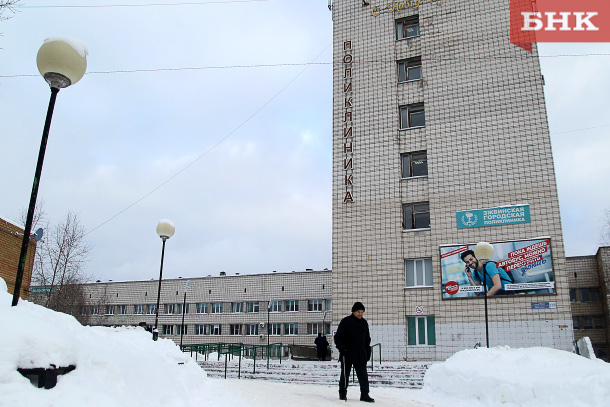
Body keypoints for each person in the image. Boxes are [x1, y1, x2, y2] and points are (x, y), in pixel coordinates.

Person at [334, 302, 374, 403]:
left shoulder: (364, 323)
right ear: (353, 311)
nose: (360, 314)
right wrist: (342, 348)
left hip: (360, 354)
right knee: (345, 374)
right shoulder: (346, 321)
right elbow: (338, 337)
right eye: (358, 312)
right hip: (347, 354)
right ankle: (342, 393)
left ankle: (365, 394)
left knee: (363, 375)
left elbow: (367, 339)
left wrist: (367, 351)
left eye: (362, 312)